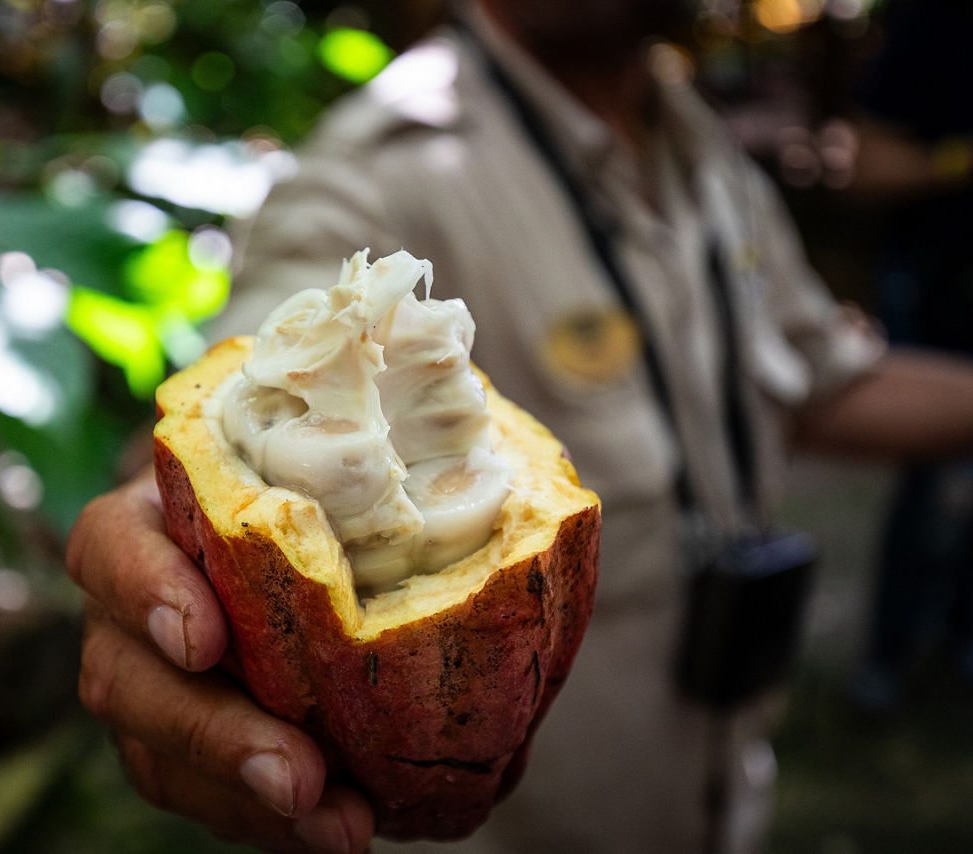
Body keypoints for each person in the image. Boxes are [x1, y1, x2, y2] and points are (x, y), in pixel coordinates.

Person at [65, 1, 973, 851]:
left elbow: (818, 382)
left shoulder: (696, 139)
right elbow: (253, 375)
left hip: (721, 793)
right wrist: (162, 549)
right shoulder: (379, 166)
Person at [844, 0, 973, 712]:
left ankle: (958, 647)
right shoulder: (935, 25)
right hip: (935, 285)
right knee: (928, 488)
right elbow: (868, 165)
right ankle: (888, 660)